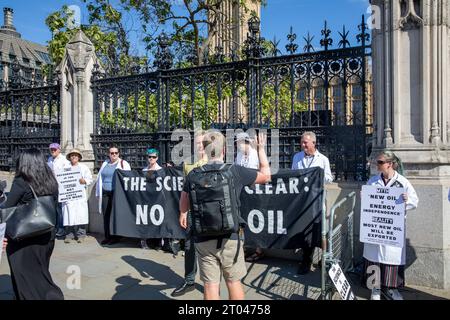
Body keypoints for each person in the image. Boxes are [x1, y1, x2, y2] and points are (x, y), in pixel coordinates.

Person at [179, 130, 271, 300]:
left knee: (210, 285)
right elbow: (266, 176)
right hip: (231, 237)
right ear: (224, 151)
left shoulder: (193, 175)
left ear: (205, 150)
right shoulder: (234, 171)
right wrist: (261, 149)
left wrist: (183, 213)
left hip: (203, 236)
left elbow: (184, 198)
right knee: (233, 282)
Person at [0, 148, 64, 300]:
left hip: (24, 237)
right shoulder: (51, 181)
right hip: (46, 235)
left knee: (23, 274)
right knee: (40, 271)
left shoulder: (21, 182)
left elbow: (9, 207)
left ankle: (50, 296)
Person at [364, 150, 418, 300]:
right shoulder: (373, 181)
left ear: (390, 164)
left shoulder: (402, 182)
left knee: (391, 258)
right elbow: (368, 202)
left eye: (380, 162)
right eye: (377, 162)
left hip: (392, 229)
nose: (377, 165)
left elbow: (415, 201)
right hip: (375, 228)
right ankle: (375, 289)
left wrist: (406, 200)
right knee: (374, 257)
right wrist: (365, 196)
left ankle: (391, 288)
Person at [171, 131, 208, 297]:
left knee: (209, 248)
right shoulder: (188, 163)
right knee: (189, 246)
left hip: (208, 211)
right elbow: (184, 191)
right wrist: (183, 211)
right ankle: (190, 280)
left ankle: (210, 283)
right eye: (196, 142)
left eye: (201, 143)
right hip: (192, 210)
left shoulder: (212, 161)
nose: (198, 145)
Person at [291, 131, 333, 275]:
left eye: (305, 143)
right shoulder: (297, 157)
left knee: (321, 230)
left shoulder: (323, 159)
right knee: (305, 231)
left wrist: (317, 176)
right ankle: (306, 260)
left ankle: (325, 258)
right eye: (302, 142)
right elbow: (293, 175)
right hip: (302, 200)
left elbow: (329, 178)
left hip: (317, 200)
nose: (302, 145)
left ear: (313, 143)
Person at [95, 145, 131, 245]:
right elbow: (99, 178)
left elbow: (127, 178)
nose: (114, 155)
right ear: (109, 154)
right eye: (112, 153)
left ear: (118, 154)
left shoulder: (123, 163)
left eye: (116, 153)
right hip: (105, 193)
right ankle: (107, 236)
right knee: (106, 215)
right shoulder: (105, 163)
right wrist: (98, 192)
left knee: (115, 215)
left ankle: (116, 237)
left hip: (117, 193)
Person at [62, 149, 93, 244]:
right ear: (69, 157)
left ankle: (81, 234)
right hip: (69, 195)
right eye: (72, 155)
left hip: (79, 195)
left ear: (79, 157)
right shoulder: (65, 168)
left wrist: (84, 181)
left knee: (81, 214)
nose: (74, 157)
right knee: (68, 214)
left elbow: (90, 179)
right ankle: (69, 234)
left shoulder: (83, 168)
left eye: (76, 155)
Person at [141, 148, 163, 250]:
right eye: (149, 157)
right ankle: (145, 241)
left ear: (157, 158)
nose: (151, 159)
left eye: (153, 157)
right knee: (146, 220)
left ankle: (158, 242)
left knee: (158, 220)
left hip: (158, 199)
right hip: (146, 199)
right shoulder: (144, 170)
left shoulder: (161, 170)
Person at [47, 143, 70, 238]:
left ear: (59, 150)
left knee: (60, 209)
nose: (53, 151)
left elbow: (67, 174)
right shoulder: (49, 159)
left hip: (61, 188)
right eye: (51, 149)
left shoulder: (64, 160)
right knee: (53, 208)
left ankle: (61, 228)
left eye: (54, 149)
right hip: (51, 187)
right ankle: (55, 227)